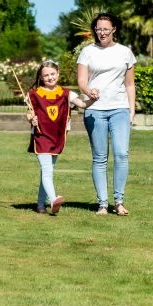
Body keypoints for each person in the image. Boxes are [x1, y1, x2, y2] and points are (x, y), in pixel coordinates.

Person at [77, 13, 137, 216]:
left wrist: (131, 110)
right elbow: (82, 81)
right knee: (100, 157)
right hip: (95, 110)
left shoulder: (125, 52)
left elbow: (130, 84)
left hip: (120, 108)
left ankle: (119, 202)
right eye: (98, 29)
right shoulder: (87, 52)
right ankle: (102, 204)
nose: (101, 32)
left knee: (121, 154)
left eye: (105, 29)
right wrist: (88, 92)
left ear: (114, 29)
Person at [25, 60, 90, 215]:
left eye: (52, 74)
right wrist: (31, 119)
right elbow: (28, 113)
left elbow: (82, 104)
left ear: (58, 74)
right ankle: (53, 200)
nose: (50, 77)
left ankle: (40, 204)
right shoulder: (34, 94)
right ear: (41, 77)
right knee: (47, 170)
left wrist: (94, 98)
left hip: (57, 138)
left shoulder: (66, 93)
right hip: (41, 136)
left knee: (46, 172)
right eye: (46, 75)